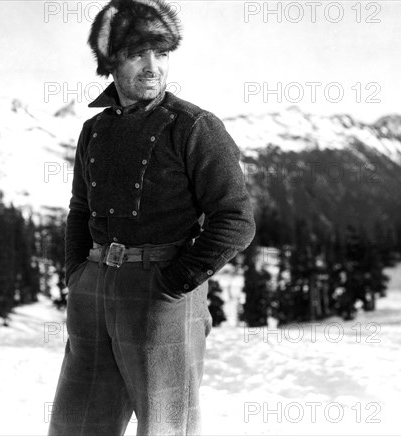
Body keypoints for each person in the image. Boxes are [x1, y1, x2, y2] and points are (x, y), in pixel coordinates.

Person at [48, 0, 255, 434]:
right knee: (75, 425)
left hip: (162, 297)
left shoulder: (194, 127)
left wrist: (173, 283)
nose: (152, 66)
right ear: (110, 60)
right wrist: (77, 274)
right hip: (94, 292)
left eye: (161, 53)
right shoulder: (95, 129)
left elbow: (235, 219)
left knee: (166, 427)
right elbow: (80, 210)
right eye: (138, 53)